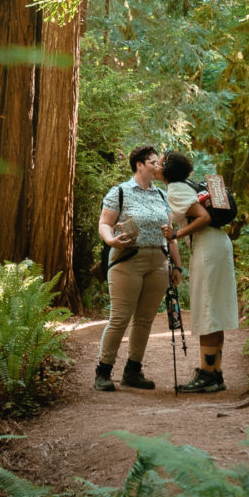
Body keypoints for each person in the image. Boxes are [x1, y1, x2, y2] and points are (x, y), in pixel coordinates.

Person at [94, 145, 183, 392]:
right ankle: (103, 371)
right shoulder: (120, 192)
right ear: (139, 164)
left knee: (144, 319)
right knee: (120, 317)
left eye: (159, 162)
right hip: (127, 259)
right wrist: (110, 240)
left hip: (158, 262)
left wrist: (178, 265)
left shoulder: (161, 195)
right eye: (154, 162)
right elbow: (105, 222)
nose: (158, 166)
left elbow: (171, 235)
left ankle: (133, 370)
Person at [161, 150, 237, 392]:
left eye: (159, 162)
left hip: (207, 249)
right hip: (219, 244)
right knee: (215, 308)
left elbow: (202, 217)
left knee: (207, 308)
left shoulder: (175, 188)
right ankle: (216, 373)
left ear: (166, 169)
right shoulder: (189, 185)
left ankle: (206, 374)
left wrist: (176, 234)